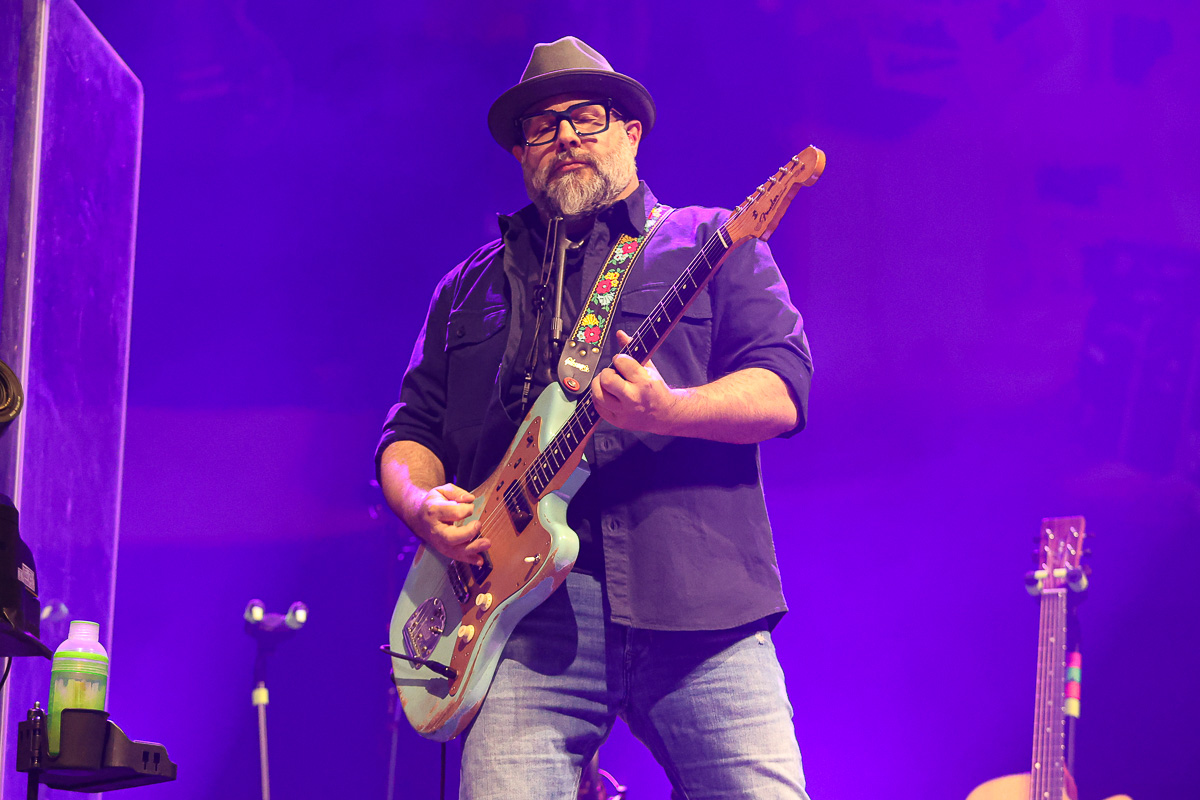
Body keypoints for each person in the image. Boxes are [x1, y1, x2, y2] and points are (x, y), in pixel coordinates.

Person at [377, 36, 814, 800]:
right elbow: (411, 430)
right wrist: (419, 502)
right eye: (542, 126)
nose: (566, 137)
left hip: (701, 604)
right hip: (522, 623)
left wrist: (670, 409)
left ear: (630, 132)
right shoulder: (465, 288)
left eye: (586, 118)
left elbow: (782, 391)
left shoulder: (711, 241)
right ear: (522, 152)